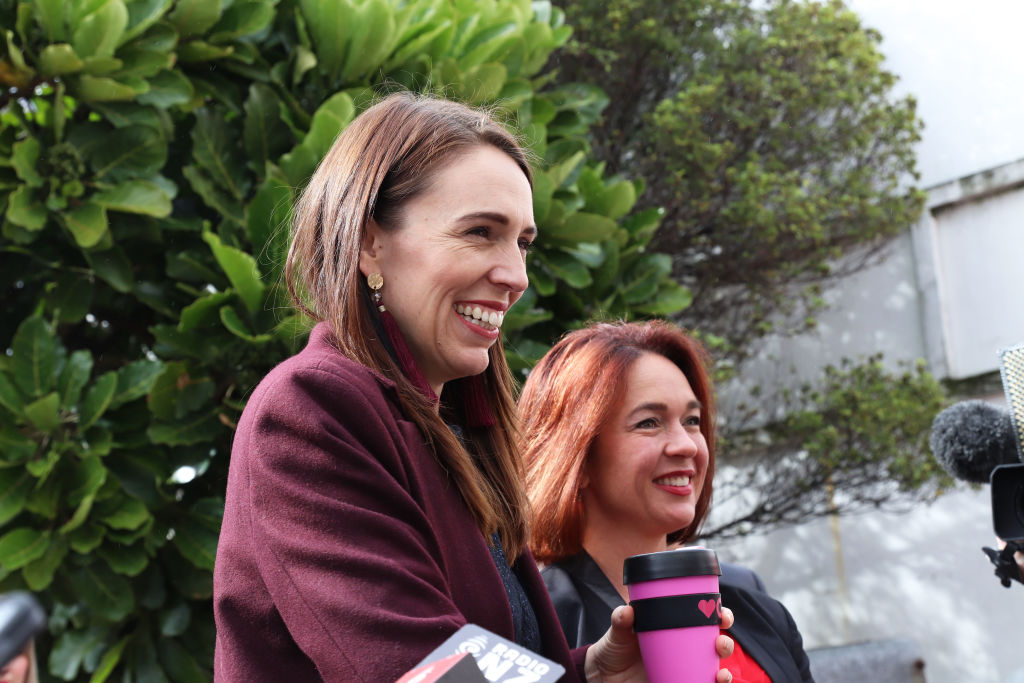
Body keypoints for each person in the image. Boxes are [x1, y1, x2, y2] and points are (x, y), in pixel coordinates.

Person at [213, 93, 736, 681]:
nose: (516, 276)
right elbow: (419, 669)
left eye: (522, 242)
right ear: (367, 242)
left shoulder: (463, 428)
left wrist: (591, 673)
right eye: (480, 232)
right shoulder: (311, 409)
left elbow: (474, 659)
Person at [520, 320, 814, 683]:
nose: (687, 445)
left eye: (692, 421)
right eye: (648, 423)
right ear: (577, 459)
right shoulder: (528, 623)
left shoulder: (758, 609)